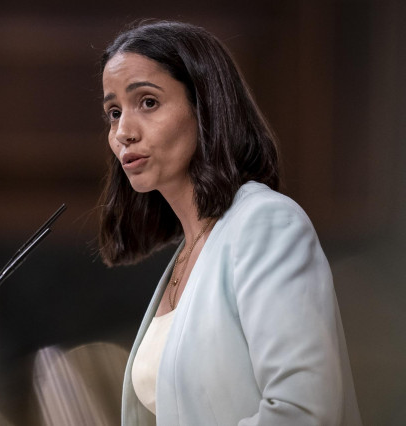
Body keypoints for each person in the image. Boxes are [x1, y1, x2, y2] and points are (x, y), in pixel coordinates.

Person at [98, 21, 362, 425]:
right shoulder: (191, 252)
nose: (123, 132)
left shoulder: (265, 224)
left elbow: (303, 413)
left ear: (205, 105)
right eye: (114, 112)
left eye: (148, 102)